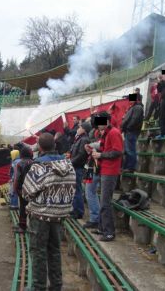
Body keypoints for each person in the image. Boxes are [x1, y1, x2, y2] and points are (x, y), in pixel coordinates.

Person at [22, 133, 76, 291]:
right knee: (55, 251)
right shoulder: (69, 164)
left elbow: (27, 192)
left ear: (39, 147)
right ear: (55, 145)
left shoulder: (39, 166)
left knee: (38, 252)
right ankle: (56, 286)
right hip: (59, 216)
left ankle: (38, 287)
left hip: (40, 216)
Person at [91, 111, 123, 242]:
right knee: (103, 200)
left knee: (105, 202)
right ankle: (102, 227)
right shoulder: (107, 133)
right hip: (105, 170)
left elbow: (117, 152)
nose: (98, 125)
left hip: (110, 171)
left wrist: (100, 155)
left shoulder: (114, 132)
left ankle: (109, 232)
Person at [69, 121, 91, 219]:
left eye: (80, 127)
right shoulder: (79, 139)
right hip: (75, 166)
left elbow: (81, 155)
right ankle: (75, 209)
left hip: (78, 167)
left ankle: (79, 211)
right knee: (74, 189)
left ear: (84, 129)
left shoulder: (84, 140)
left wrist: (70, 162)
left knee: (77, 190)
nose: (78, 128)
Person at [13, 146, 34, 233]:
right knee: (32, 207)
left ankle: (22, 226)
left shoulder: (20, 164)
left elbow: (17, 178)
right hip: (33, 189)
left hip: (23, 189)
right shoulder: (34, 162)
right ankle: (32, 226)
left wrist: (16, 189)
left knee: (23, 207)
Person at [121, 95, 144, 173]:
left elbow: (134, 120)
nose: (129, 100)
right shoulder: (133, 107)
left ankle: (130, 167)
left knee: (130, 150)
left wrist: (128, 128)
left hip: (132, 131)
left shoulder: (138, 108)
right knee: (128, 150)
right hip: (129, 131)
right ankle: (127, 167)